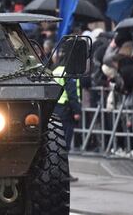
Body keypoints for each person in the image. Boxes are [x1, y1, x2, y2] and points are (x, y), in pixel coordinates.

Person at [52, 51, 82, 182]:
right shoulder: (69, 72)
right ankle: (64, 173)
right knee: (65, 144)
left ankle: (56, 172)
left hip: (55, 109)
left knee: (57, 143)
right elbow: (72, 93)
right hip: (66, 111)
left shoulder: (55, 70)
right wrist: (77, 111)